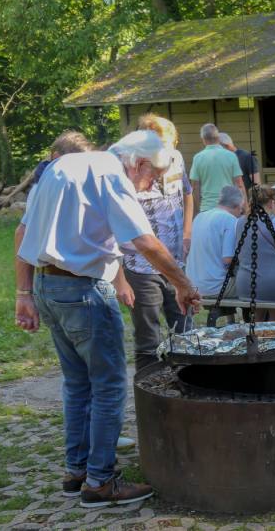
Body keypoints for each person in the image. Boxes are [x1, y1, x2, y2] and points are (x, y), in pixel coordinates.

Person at [14, 130, 201, 507]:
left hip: (49, 288)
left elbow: (23, 232)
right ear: (140, 164)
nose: (147, 187)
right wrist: (182, 283)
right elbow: (145, 241)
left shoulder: (60, 166)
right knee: (109, 386)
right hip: (84, 294)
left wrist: (24, 293)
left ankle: (77, 470)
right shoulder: (111, 173)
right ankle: (100, 482)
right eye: (151, 179)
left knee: (77, 385)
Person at [123, 114, 194, 371]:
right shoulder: (128, 169)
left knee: (186, 333)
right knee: (148, 341)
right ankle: (149, 398)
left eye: (169, 145)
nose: (166, 152)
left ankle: (187, 385)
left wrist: (187, 233)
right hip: (142, 266)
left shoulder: (176, 160)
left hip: (176, 261)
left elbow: (187, 195)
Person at [235, 185, 275, 321]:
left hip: (245, 285)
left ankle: (260, 329)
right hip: (273, 287)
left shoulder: (240, 222)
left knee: (261, 306)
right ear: (272, 203)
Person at [186, 186, 245, 296]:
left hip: (193, 285)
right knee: (258, 282)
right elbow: (228, 259)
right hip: (216, 287)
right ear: (238, 206)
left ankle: (223, 313)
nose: (241, 213)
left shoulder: (199, 216)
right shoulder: (231, 220)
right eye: (241, 210)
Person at [190, 123, 245, 213]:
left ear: (203, 139)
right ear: (218, 138)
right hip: (229, 207)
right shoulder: (231, 156)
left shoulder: (198, 158)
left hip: (207, 207)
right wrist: (244, 208)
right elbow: (239, 184)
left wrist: (200, 207)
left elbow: (195, 187)